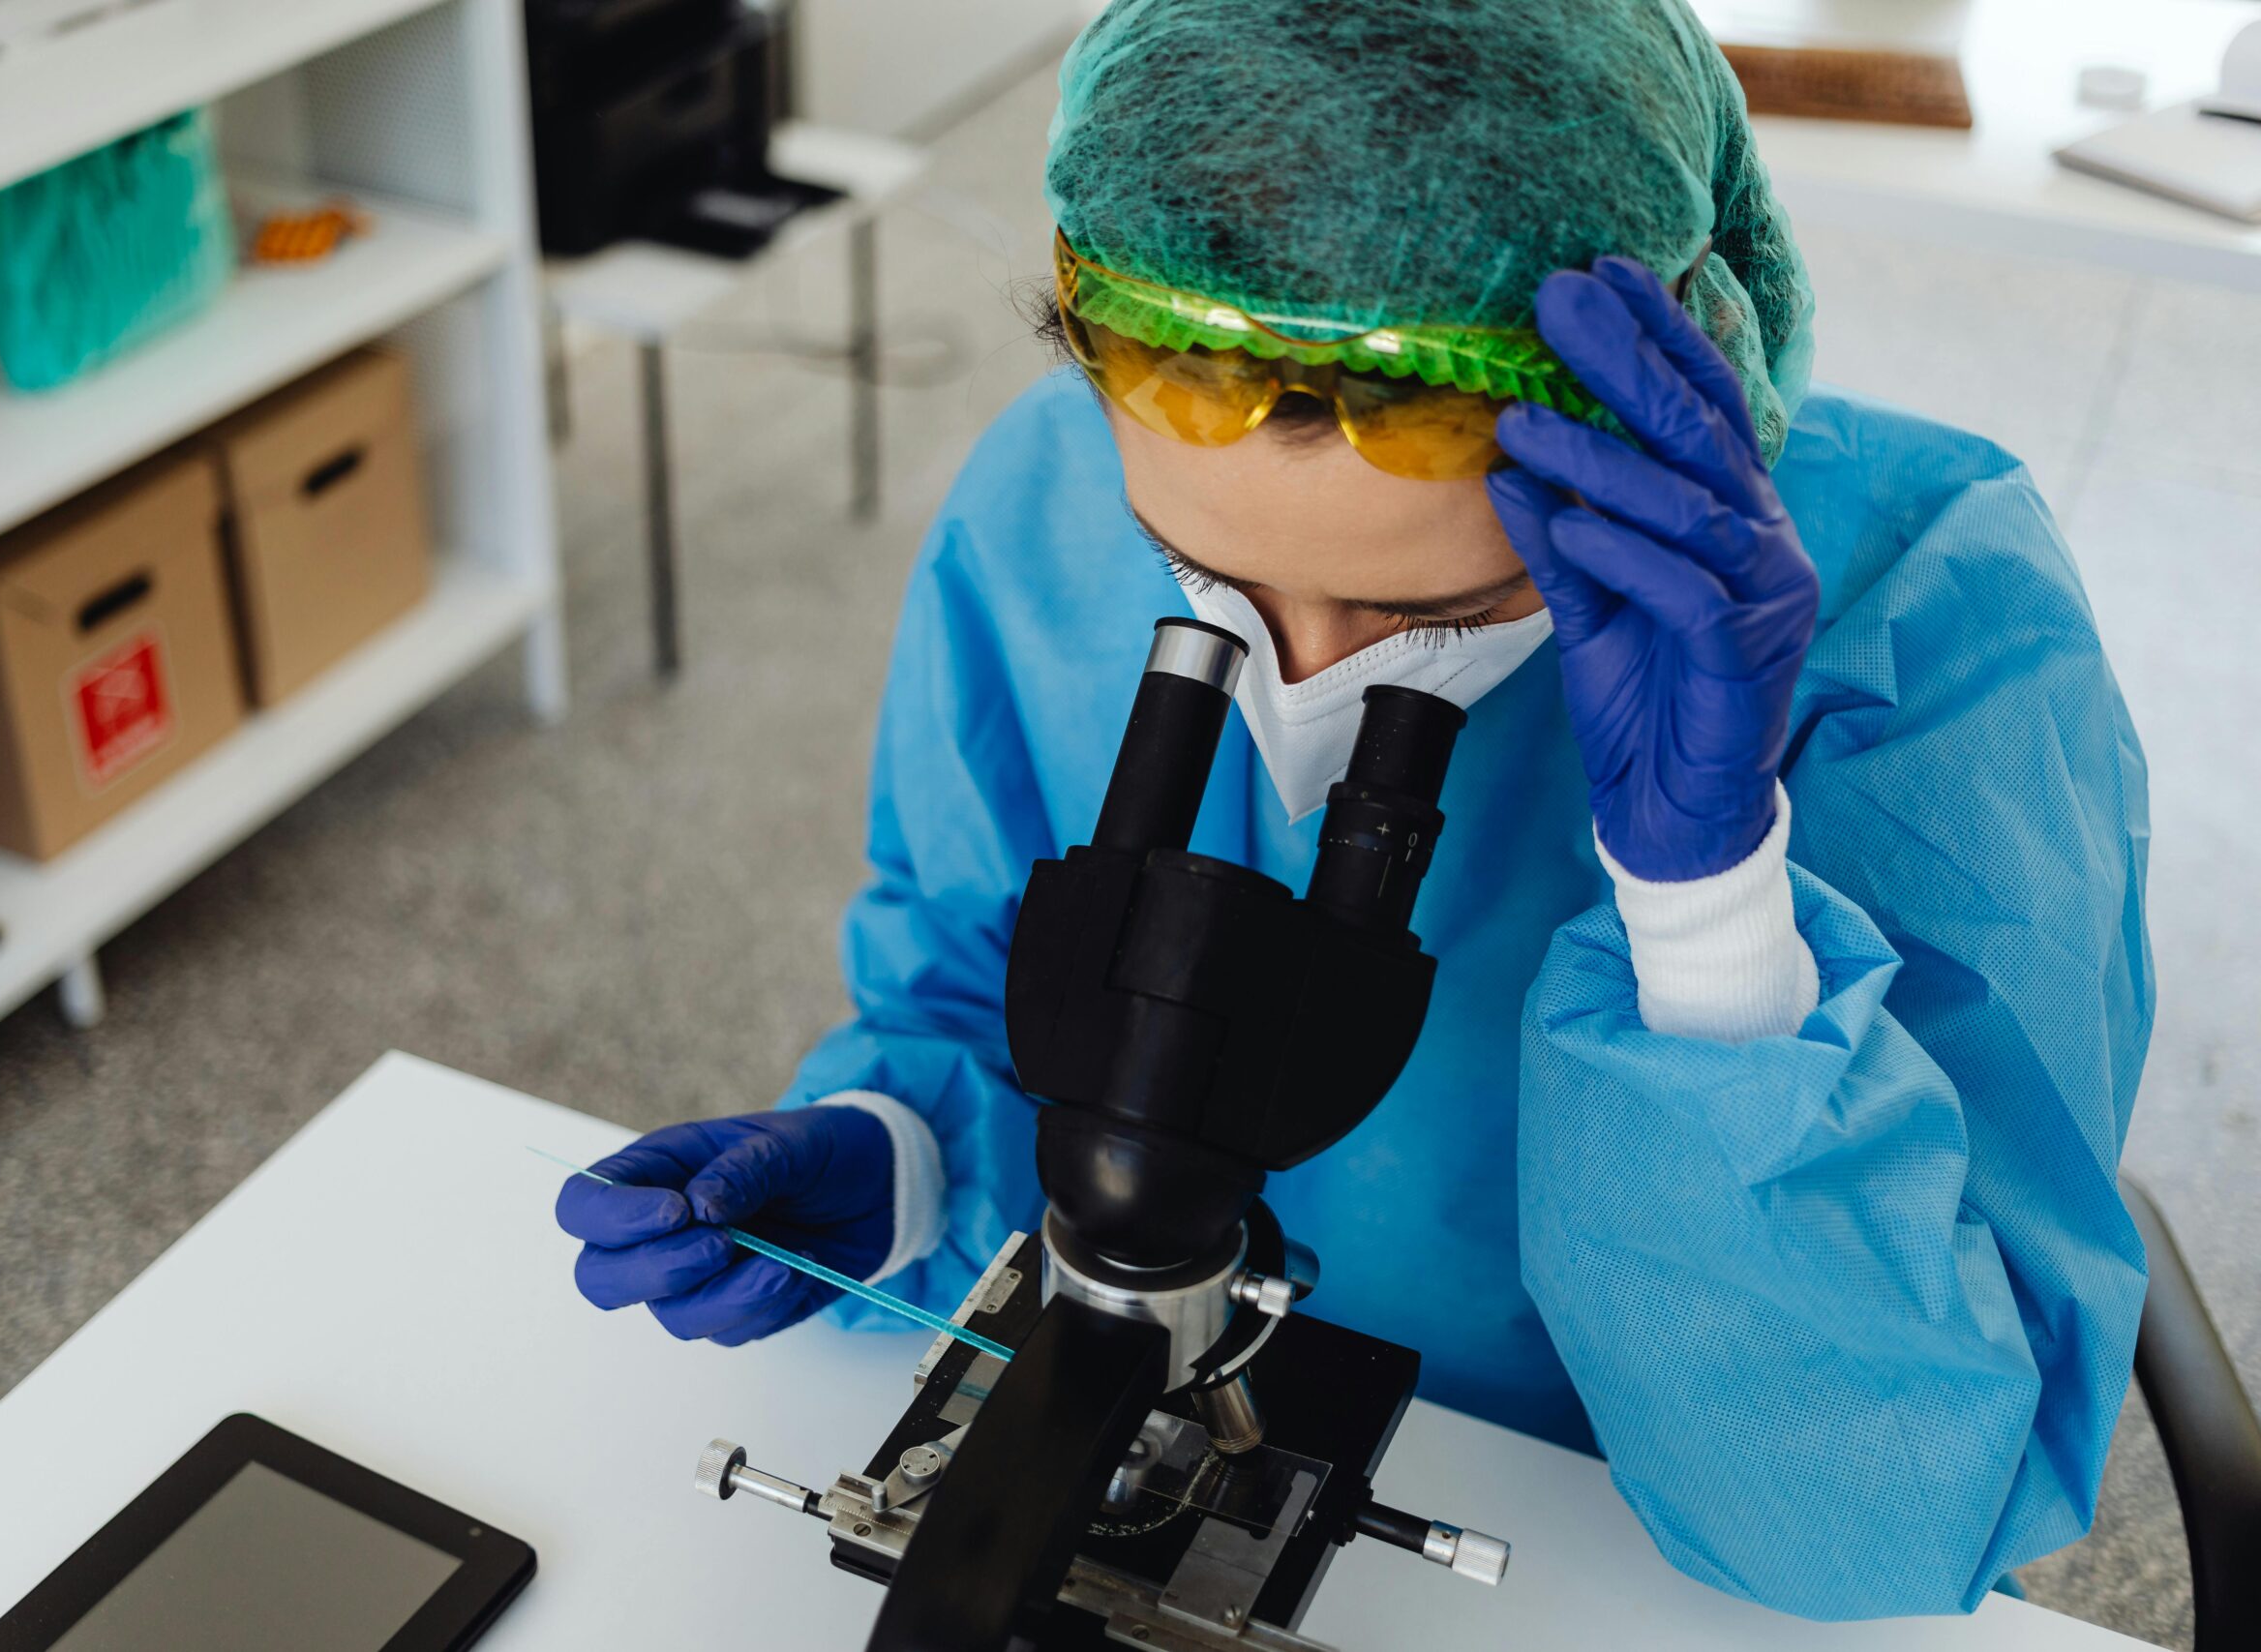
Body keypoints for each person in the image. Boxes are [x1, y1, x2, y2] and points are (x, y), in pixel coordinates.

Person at [554, 0, 2153, 1621]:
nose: (1306, 684)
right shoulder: (1038, 499)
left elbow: (1877, 1519)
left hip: (1635, 1544)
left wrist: (1711, 917)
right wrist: (894, 1159)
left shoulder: (1926, 609)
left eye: (1431, 615)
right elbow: (971, 995)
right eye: (1208, 585)